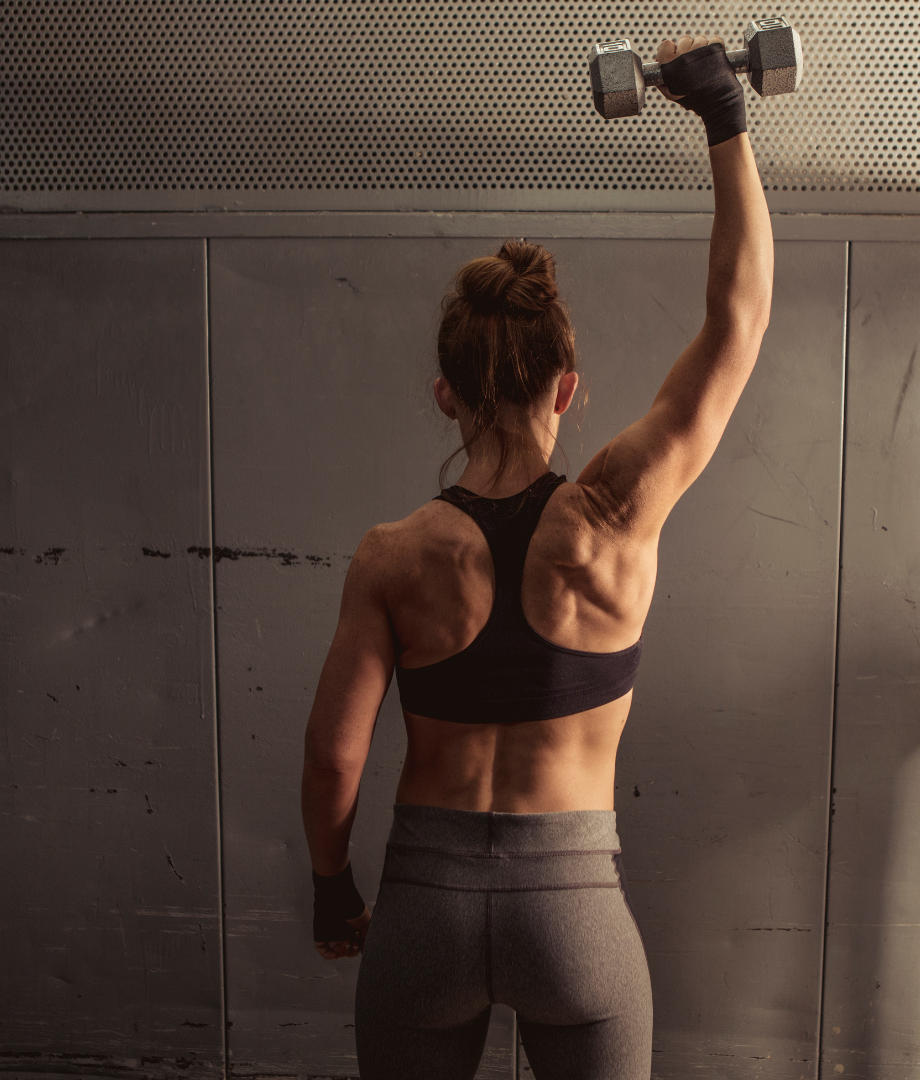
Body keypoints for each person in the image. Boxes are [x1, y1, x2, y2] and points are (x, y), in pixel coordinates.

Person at [300, 30, 773, 1080]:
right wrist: (726, 120)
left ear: (446, 397)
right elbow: (737, 327)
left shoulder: (392, 557)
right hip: (575, 916)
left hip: (424, 908)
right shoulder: (613, 517)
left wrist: (335, 887)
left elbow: (335, 756)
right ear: (567, 385)